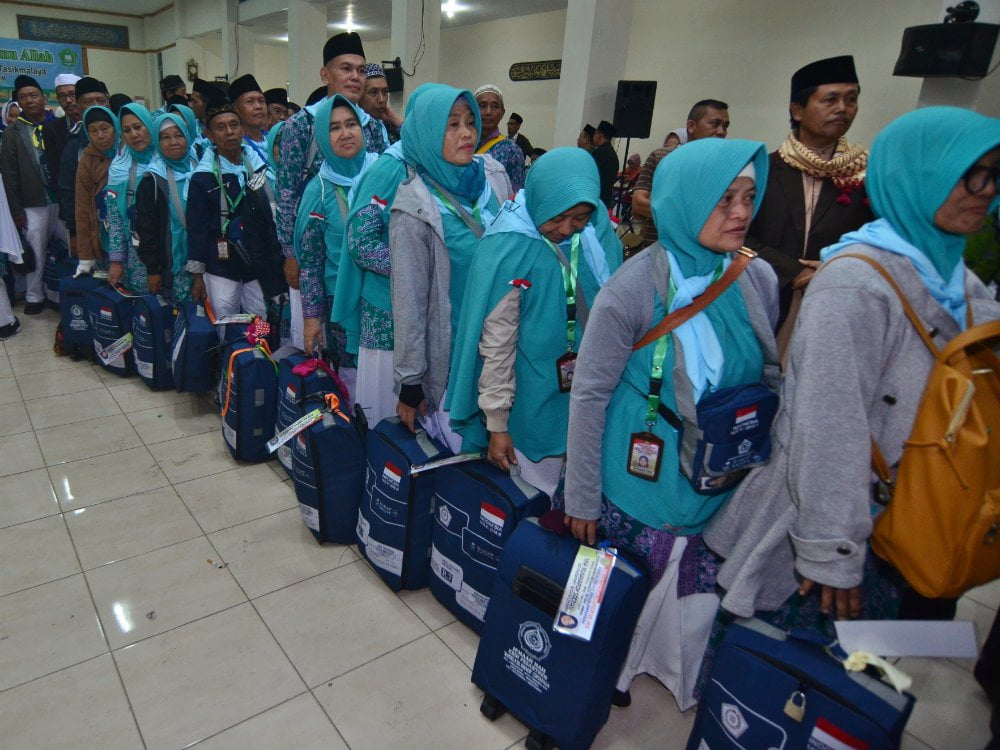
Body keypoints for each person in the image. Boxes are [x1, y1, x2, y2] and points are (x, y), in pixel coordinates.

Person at [705, 107, 1000, 636]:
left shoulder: (959, 280)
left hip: (920, 515)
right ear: (919, 176)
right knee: (797, 672)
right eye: (970, 175)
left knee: (881, 666)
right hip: (836, 532)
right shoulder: (855, 285)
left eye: (994, 175)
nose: (986, 190)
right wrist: (831, 552)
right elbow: (829, 428)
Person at [563, 138, 779, 708]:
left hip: (719, 479)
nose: (740, 212)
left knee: (691, 593)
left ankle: (670, 670)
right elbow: (589, 395)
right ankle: (609, 675)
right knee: (627, 597)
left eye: (749, 197)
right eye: (724, 199)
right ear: (685, 201)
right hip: (639, 480)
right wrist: (581, 498)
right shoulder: (633, 288)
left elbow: (766, 376)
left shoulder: (755, 279)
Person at [447, 147, 622, 497]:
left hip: (591, 393)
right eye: (557, 217)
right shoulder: (510, 244)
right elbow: (497, 344)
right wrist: (497, 424)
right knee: (534, 497)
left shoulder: (597, 230)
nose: (566, 229)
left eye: (579, 217)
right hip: (531, 401)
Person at [390, 83, 512, 449]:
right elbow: (409, 302)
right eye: (453, 124)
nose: (467, 133)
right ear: (428, 133)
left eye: (470, 122)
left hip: (502, 353)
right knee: (462, 459)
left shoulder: (493, 179)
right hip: (454, 359)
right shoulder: (414, 207)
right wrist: (411, 382)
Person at [277, 31, 389, 351]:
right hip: (320, 247)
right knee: (325, 339)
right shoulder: (301, 125)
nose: (355, 77)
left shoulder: (373, 126)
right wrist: (290, 253)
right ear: (325, 74)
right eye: (346, 68)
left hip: (371, 256)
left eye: (360, 70)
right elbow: (286, 193)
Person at [746, 55, 872, 333]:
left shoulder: (866, 174)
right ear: (797, 111)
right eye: (830, 100)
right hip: (767, 300)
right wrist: (794, 271)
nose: (842, 109)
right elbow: (739, 237)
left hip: (838, 302)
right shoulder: (763, 169)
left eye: (851, 99)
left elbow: (877, 239)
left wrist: (835, 267)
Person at [332, 89, 427, 426]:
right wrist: (416, 269)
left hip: (419, 309)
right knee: (386, 417)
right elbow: (361, 242)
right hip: (386, 311)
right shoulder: (390, 167)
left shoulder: (435, 166)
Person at [294, 95, 378, 395]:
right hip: (342, 305)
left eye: (351, 124)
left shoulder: (385, 174)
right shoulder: (318, 191)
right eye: (334, 128)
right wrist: (311, 318)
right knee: (353, 385)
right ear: (322, 137)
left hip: (386, 301)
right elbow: (310, 264)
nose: (345, 133)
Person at [185, 104, 273, 322]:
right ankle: (231, 346)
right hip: (220, 264)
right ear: (210, 135)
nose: (229, 132)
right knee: (226, 320)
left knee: (260, 319)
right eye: (221, 127)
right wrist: (198, 275)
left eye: (234, 125)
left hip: (255, 262)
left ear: (242, 129)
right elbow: (196, 228)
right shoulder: (203, 177)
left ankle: (257, 346)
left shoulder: (259, 167)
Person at [0, 75, 62, 315]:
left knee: (68, 247)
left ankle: (62, 292)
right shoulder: (13, 132)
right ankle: (34, 296)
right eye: (23, 97)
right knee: (35, 251)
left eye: (33, 95)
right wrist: (16, 210)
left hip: (61, 199)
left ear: (43, 97)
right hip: (32, 202)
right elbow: (9, 174)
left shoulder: (58, 124)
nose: (29, 100)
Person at [633, 99, 730, 250]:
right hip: (658, 248)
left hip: (702, 251)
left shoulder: (725, 166)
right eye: (714, 124)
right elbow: (639, 204)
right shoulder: (661, 157)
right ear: (691, 126)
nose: (721, 131)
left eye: (725, 126)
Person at [134, 112, 198, 301]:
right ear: (157, 142)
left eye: (178, 135)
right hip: (172, 263)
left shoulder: (200, 167)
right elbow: (147, 229)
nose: (173, 142)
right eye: (165, 137)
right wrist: (153, 269)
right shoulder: (152, 179)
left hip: (204, 260)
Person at [105, 102, 156, 293]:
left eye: (138, 126)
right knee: (146, 305)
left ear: (149, 126)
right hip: (137, 252)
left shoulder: (168, 159)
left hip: (172, 248)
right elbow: (115, 219)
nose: (134, 134)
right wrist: (116, 261)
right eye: (127, 130)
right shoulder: (119, 168)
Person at [57, 76, 111, 255]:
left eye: (101, 100)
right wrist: (75, 233)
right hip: (93, 225)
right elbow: (68, 191)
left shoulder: (124, 136)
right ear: (79, 106)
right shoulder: (74, 146)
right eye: (88, 102)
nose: (96, 105)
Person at [72, 106, 119, 277]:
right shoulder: (87, 162)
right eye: (93, 131)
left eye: (105, 128)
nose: (100, 135)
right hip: (103, 236)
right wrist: (85, 255)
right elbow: (82, 210)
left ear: (116, 127)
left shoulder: (128, 154)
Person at [473, 84, 524, 192]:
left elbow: (515, 196)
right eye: (482, 106)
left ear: (502, 113)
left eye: (495, 106)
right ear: (473, 110)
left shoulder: (511, 151)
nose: (488, 112)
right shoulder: (463, 144)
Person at [42, 73, 81, 204]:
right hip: (69, 197)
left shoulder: (95, 123)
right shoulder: (51, 129)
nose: (68, 100)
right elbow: (54, 169)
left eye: (72, 94)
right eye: (62, 96)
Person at [229, 74, 270, 164]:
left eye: (261, 101)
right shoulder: (234, 146)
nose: (258, 106)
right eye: (250, 101)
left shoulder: (274, 140)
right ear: (236, 109)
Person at [360, 64, 402, 143]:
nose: (381, 99)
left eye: (385, 92)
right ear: (360, 96)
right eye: (374, 92)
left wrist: (396, 120)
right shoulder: (355, 131)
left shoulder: (389, 126)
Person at [590, 120, 618, 207]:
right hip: (606, 199)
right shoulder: (612, 153)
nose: (593, 136)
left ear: (600, 135)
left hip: (596, 198)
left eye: (595, 133)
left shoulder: (600, 153)